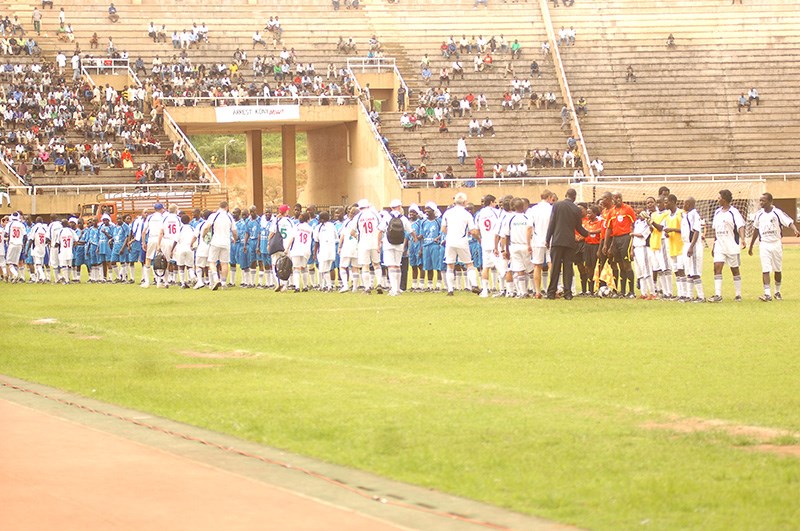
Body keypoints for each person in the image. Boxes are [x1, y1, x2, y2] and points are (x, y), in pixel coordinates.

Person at [749, 192, 800, 301]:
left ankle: (777, 292)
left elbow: (789, 222)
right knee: (765, 269)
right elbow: (756, 229)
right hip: (764, 245)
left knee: (777, 269)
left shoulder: (777, 213)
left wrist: (795, 230)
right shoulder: (759, 214)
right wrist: (751, 245)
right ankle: (767, 294)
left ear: (770, 201)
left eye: (763, 200)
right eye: (760, 200)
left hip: (776, 244)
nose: (761, 202)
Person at [545, 188, 588, 300]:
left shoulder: (557, 205)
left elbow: (552, 223)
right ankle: (568, 293)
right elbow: (578, 227)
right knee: (568, 267)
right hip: (570, 242)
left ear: (565, 195)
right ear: (574, 197)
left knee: (555, 267)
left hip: (557, 240)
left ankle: (551, 292)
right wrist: (587, 233)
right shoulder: (576, 209)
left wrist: (547, 238)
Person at [708, 189, 746, 302]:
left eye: (719, 198)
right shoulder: (717, 212)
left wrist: (743, 239)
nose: (718, 200)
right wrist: (714, 245)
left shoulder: (734, 212)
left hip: (732, 245)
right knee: (717, 267)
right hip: (719, 245)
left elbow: (740, 226)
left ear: (724, 200)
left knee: (734, 269)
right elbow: (716, 230)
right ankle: (718, 295)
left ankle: (738, 294)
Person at [441, 193, 480, 295]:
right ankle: (474, 285)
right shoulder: (467, 214)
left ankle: (450, 290)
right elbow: (473, 231)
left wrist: (450, 234)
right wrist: (479, 239)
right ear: (464, 202)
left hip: (450, 241)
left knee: (450, 265)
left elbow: (443, 228)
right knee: (469, 264)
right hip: (462, 241)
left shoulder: (447, 213)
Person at [604, 192, 637, 298]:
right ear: (612, 199)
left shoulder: (628, 209)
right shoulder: (611, 212)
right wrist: (606, 244)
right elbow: (609, 228)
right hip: (616, 239)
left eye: (620, 198)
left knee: (627, 264)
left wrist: (633, 240)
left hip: (626, 238)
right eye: (616, 198)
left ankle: (631, 291)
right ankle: (622, 291)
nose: (618, 199)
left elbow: (634, 224)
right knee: (620, 265)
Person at [500, 198, 533, 298]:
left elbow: (506, 235)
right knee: (531, 269)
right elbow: (531, 232)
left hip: (514, 245)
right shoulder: (527, 217)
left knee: (519, 270)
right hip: (526, 245)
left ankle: (523, 292)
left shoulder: (510, 218)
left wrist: (506, 250)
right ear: (523, 207)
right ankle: (535, 290)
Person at [351, 199, 385, 294]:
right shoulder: (375, 214)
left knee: (365, 266)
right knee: (376, 264)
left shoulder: (358, 217)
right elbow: (381, 228)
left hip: (363, 243)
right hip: (375, 242)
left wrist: (358, 236)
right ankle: (379, 283)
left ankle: (367, 288)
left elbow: (352, 232)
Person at [202, 201, 237, 291]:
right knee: (224, 263)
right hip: (226, 242)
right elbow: (234, 231)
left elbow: (206, 227)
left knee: (212, 261)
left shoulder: (214, 215)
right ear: (227, 207)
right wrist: (235, 239)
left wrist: (203, 235)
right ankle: (224, 283)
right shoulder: (229, 216)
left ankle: (216, 279)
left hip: (215, 241)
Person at [383, 199, 413, 296]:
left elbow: (380, 230)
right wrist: (415, 238)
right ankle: (398, 288)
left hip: (388, 244)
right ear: (399, 207)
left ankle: (394, 289)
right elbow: (410, 231)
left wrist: (378, 243)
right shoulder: (403, 218)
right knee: (397, 265)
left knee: (391, 266)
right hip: (399, 244)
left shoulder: (387, 217)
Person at [528, 190, 555, 298]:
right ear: (549, 197)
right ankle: (553, 289)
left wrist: (528, 243)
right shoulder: (552, 208)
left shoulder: (533, 209)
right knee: (551, 264)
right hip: (551, 239)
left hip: (537, 240)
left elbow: (529, 227)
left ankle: (538, 291)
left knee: (537, 265)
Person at [680, 197, 705, 302]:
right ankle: (689, 296)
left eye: (685, 203)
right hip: (686, 244)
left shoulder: (694, 215)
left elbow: (696, 231)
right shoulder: (686, 215)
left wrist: (691, 246)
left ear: (689, 204)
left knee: (695, 271)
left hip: (693, 245)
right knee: (689, 271)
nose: (683, 205)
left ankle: (701, 296)